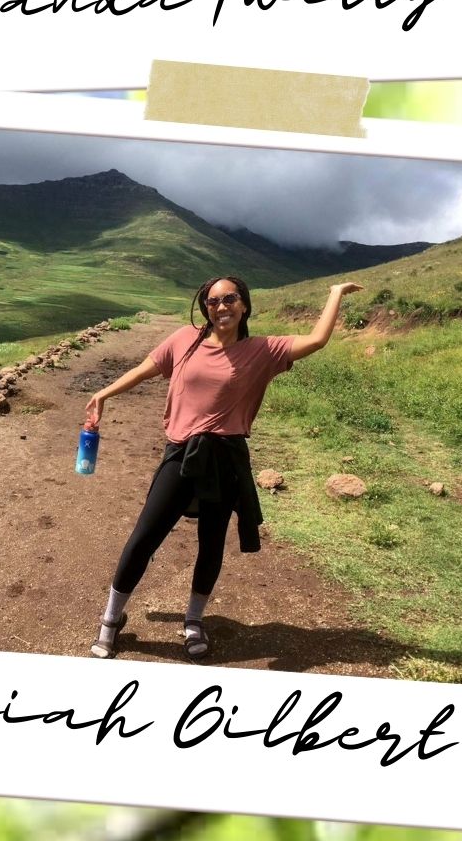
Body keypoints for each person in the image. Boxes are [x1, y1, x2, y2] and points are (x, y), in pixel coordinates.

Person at [82, 275, 359, 661]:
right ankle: (111, 618)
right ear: (205, 308)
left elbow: (316, 340)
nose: (220, 306)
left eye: (229, 299)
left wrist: (334, 295)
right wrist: (103, 393)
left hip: (226, 458)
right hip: (181, 453)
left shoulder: (262, 350)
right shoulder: (183, 340)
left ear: (244, 304)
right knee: (145, 536)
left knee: (211, 543)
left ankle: (193, 621)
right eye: (212, 301)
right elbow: (146, 368)